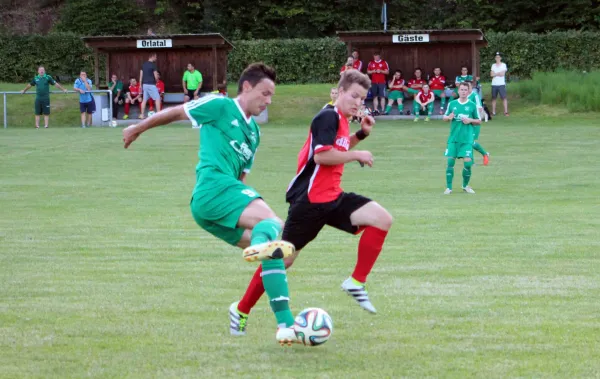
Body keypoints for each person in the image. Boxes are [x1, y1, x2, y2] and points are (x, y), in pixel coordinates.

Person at [122, 63, 298, 346]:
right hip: (211, 190)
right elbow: (177, 112)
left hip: (217, 204)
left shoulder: (254, 134)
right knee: (274, 226)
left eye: (271, 97)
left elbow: (240, 179)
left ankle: (240, 310)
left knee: (283, 255)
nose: (268, 101)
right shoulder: (220, 105)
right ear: (247, 87)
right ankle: (286, 324)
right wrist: (137, 128)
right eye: (264, 94)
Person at [230, 69, 393, 337]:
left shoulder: (341, 118)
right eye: (353, 96)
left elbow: (336, 147)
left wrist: (360, 135)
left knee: (382, 219)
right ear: (339, 92)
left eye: (362, 99)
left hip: (332, 197)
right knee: (282, 261)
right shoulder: (327, 116)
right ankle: (242, 309)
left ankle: (356, 282)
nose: (357, 103)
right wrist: (357, 154)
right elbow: (322, 157)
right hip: (310, 202)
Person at [443, 82, 481, 195]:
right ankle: (449, 188)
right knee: (450, 162)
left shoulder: (472, 105)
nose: (463, 92)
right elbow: (444, 117)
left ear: (469, 91)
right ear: (458, 91)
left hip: (467, 139)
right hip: (454, 138)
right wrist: (448, 117)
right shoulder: (452, 104)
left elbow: (478, 121)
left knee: (468, 163)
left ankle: (465, 186)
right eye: (461, 90)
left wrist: (470, 120)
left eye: (465, 90)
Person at [466, 81, 490, 166]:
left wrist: (472, 117)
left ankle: (472, 161)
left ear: (471, 87)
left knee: (470, 142)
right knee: (468, 142)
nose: (466, 89)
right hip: (467, 123)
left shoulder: (475, 96)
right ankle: (484, 154)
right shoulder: (464, 96)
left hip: (475, 123)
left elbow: (479, 108)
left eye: (468, 87)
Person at [139, 53, 161, 119]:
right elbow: (156, 76)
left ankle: (142, 115)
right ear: (152, 57)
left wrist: (140, 85)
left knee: (144, 100)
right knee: (157, 99)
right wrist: (157, 81)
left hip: (144, 85)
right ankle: (159, 115)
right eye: (155, 57)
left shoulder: (143, 65)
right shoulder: (153, 65)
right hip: (151, 84)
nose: (156, 58)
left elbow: (141, 76)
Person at [491, 52, 509, 116]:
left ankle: (506, 112)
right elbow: (491, 75)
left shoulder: (503, 65)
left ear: (500, 58)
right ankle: (493, 112)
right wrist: (498, 73)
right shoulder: (493, 65)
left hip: (501, 84)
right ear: (495, 58)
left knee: (504, 98)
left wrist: (495, 74)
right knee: (493, 98)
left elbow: (503, 74)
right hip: (494, 84)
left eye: (498, 57)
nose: (497, 58)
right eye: (496, 57)